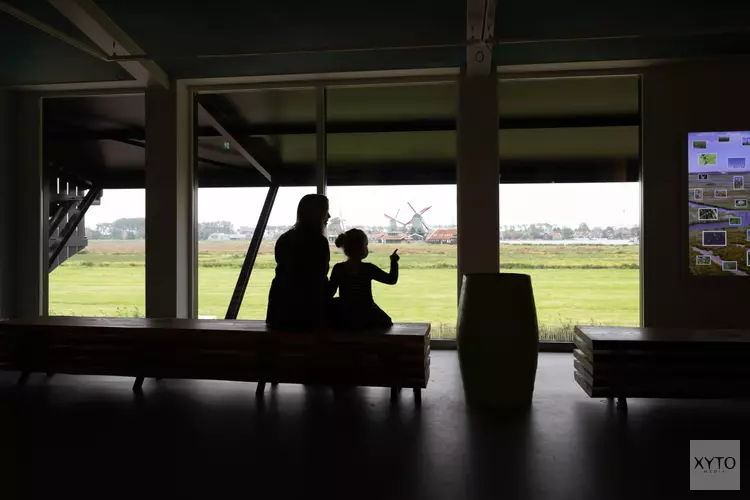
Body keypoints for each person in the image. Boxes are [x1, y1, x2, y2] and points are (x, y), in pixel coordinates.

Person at [266, 194, 331, 330]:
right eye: (326, 211)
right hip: (308, 313)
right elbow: (320, 275)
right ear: (317, 214)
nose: (329, 216)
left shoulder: (285, 238)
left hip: (279, 310)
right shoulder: (319, 241)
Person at [329, 228, 399, 330]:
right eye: (366, 245)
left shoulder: (338, 268)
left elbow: (330, 292)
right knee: (387, 322)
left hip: (345, 315)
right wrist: (394, 262)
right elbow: (391, 280)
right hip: (367, 313)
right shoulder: (368, 268)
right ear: (361, 248)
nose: (367, 248)